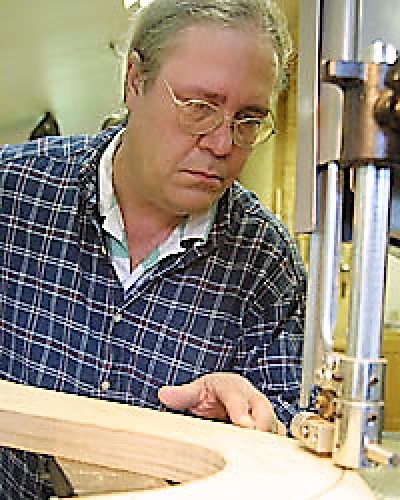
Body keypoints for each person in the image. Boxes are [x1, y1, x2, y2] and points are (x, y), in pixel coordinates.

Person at [0, 0, 306, 498]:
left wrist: (255, 425)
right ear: (134, 81)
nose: (223, 143)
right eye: (199, 108)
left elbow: (289, 439)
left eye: (248, 119)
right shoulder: (11, 195)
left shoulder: (265, 262)